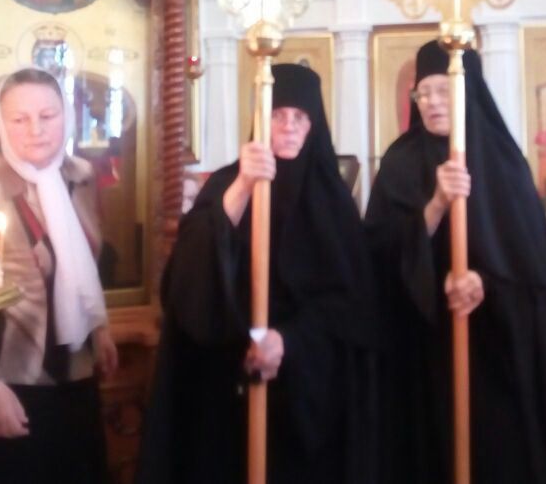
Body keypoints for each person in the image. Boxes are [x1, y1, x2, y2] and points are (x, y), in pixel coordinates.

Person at [366, 41, 546, 484]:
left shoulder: (503, 161)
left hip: (497, 343)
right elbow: (379, 255)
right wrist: (436, 205)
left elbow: (530, 267)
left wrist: (486, 282)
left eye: (444, 90)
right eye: (423, 93)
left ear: (468, 91)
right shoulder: (399, 162)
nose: (432, 103)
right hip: (425, 345)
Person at [137, 64, 377, 484]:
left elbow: (352, 304)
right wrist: (244, 186)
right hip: (229, 379)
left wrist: (288, 341)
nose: (288, 126)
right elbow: (186, 277)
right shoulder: (228, 183)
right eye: (278, 114)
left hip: (310, 390)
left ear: (314, 125)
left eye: (299, 117)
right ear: (259, 119)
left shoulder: (334, 200)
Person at [0, 68, 118, 484]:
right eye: (20, 119)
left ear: (66, 115)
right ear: (2, 124)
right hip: (10, 386)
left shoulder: (82, 178)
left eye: (48, 115)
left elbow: (84, 267)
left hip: (78, 379)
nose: (36, 129)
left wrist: (100, 326)